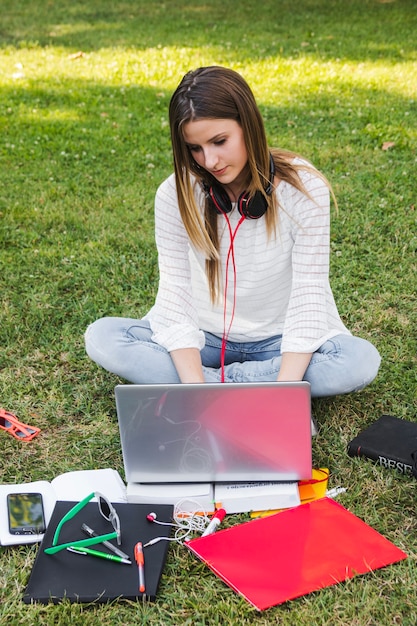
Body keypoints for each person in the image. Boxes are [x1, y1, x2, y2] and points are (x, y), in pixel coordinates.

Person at [85, 65, 381, 398]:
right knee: (103, 337)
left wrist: (285, 394)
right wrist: (195, 391)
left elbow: (308, 295)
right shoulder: (174, 194)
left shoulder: (304, 187)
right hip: (203, 338)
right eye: (195, 149)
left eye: (219, 141)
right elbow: (175, 294)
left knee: (359, 361)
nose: (209, 160)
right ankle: (232, 386)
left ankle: (235, 385)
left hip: (282, 341)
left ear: (249, 125)